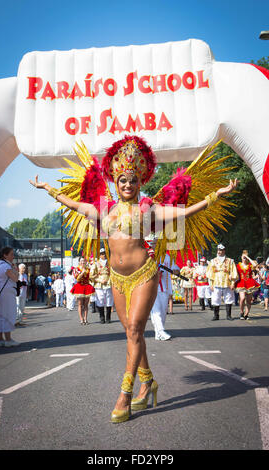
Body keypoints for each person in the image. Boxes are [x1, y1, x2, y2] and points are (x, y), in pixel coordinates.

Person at [30, 135, 238, 423]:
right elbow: (73, 204)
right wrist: (48, 189)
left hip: (143, 274)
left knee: (135, 330)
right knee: (131, 331)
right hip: (117, 278)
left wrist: (216, 195)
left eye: (133, 180)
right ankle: (148, 382)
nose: (127, 185)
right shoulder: (103, 210)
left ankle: (125, 394)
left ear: (140, 182)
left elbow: (184, 212)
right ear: (115, 181)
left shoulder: (148, 209)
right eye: (122, 180)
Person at [0, 247, 21, 347]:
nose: (13, 256)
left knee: (0, 317)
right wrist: (15, 269)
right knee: (8, 316)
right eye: (11, 254)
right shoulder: (6, 266)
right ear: (5, 255)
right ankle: (8, 340)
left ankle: (1, 340)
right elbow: (16, 279)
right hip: (6, 294)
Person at [206, 244, 239, 321]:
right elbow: (210, 273)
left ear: (224, 251)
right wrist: (210, 284)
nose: (219, 252)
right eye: (218, 250)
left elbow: (233, 272)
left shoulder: (230, 261)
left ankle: (228, 315)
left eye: (221, 250)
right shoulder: (213, 261)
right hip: (216, 283)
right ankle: (216, 315)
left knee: (228, 299)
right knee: (215, 299)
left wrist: (233, 283)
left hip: (227, 283)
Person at [150, 252, 175, 341]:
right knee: (156, 311)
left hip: (165, 287)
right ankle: (161, 331)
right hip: (152, 288)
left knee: (163, 311)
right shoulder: (149, 256)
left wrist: (176, 270)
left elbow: (175, 268)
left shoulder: (168, 257)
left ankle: (158, 333)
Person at [236, 250, 260, 320]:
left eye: (246, 257)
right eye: (243, 257)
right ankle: (241, 312)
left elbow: (255, 265)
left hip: (250, 283)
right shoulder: (238, 265)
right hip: (241, 283)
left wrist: (248, 257)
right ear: (241, 257)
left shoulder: (250, 265)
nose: (245, 258)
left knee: (249, 301)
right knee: (242, 298)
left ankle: (246, 314)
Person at [91, 248, 113, 323]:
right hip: (99, 285)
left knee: (109, 300)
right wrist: (100, 280)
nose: (103, 255)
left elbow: (113, 273)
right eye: (102, 253)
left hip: (109, 283)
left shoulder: (110, 263)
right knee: (100, 300)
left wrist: (109, 280)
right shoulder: (96, 264)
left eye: (105, 253)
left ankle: (108, 317)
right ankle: (102, 317)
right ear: (99, 255)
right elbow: (91, 275)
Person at [71, 258, 95, 324]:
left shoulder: (88, 269)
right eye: (81, 261)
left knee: (86, 304)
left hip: (87, 286)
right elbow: (77, 278)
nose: (82, 262)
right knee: (80, 304)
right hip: (79, 287)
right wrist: (82, 273)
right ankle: (81, 319)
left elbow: (90, 278)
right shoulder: (76, 269)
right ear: (79, 262)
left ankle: (85, 319)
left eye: (84, 261)